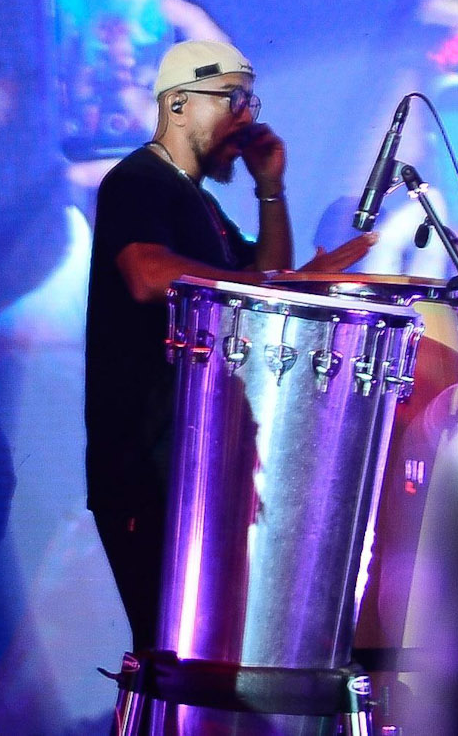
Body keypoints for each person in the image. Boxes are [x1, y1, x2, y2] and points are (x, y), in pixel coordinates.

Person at [85, 38, 374, 650]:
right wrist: (279, 283)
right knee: (171, 654)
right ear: (179, 103)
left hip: (191, 461)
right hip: (146, 463)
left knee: (203, 654)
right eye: (232, 100)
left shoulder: (201, 202)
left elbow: (265, 276)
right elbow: (147, 274)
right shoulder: (137, 180)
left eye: (251, 101)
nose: (247, 119)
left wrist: (271, 189)